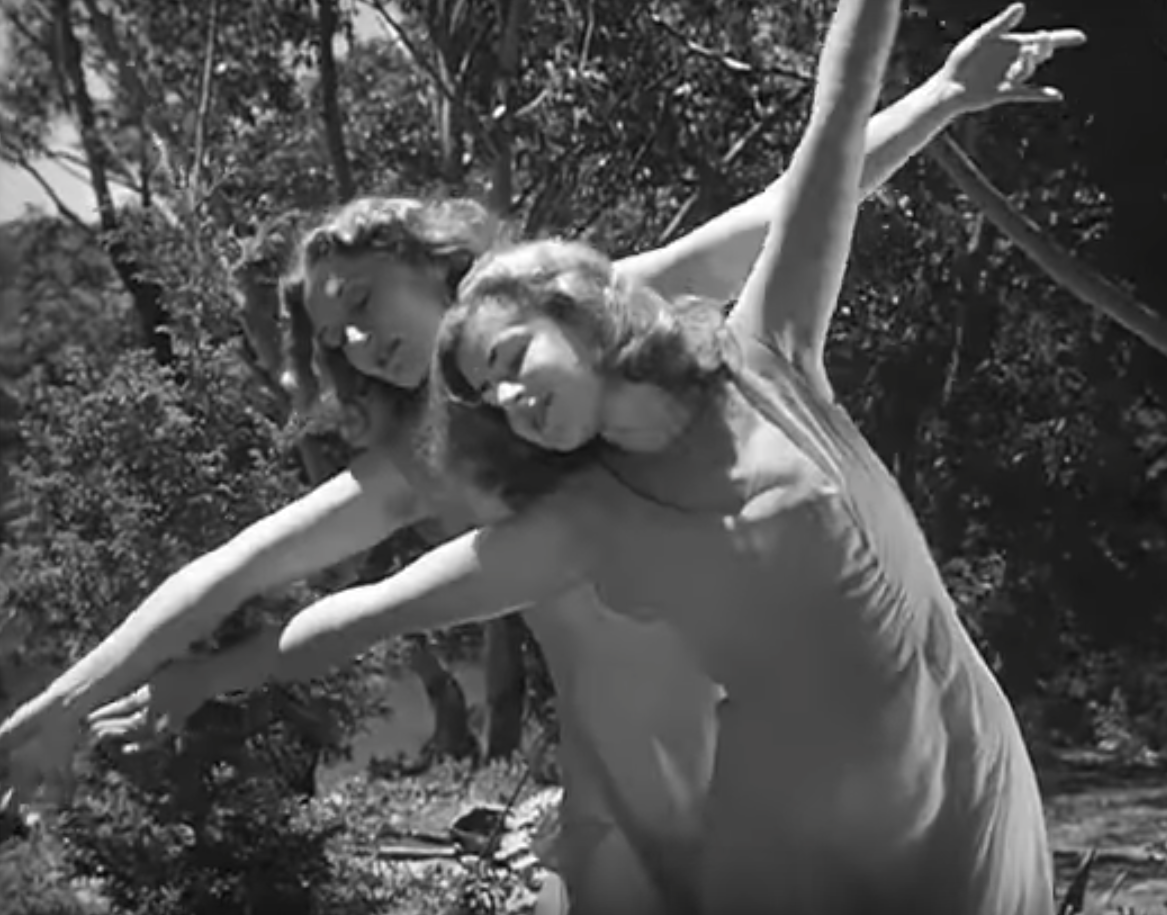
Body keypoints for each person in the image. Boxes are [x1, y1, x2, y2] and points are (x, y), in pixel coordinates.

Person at [1, 4, 1082, 912]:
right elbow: (242, 578)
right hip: (659, 773)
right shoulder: (431, 470)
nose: (356, 344)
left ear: (438, 268)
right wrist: (64, 703)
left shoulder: (626, 313)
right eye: (334, 342)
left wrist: (943, 95)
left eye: (366, 304)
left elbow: (809, 185)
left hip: (846, 725)